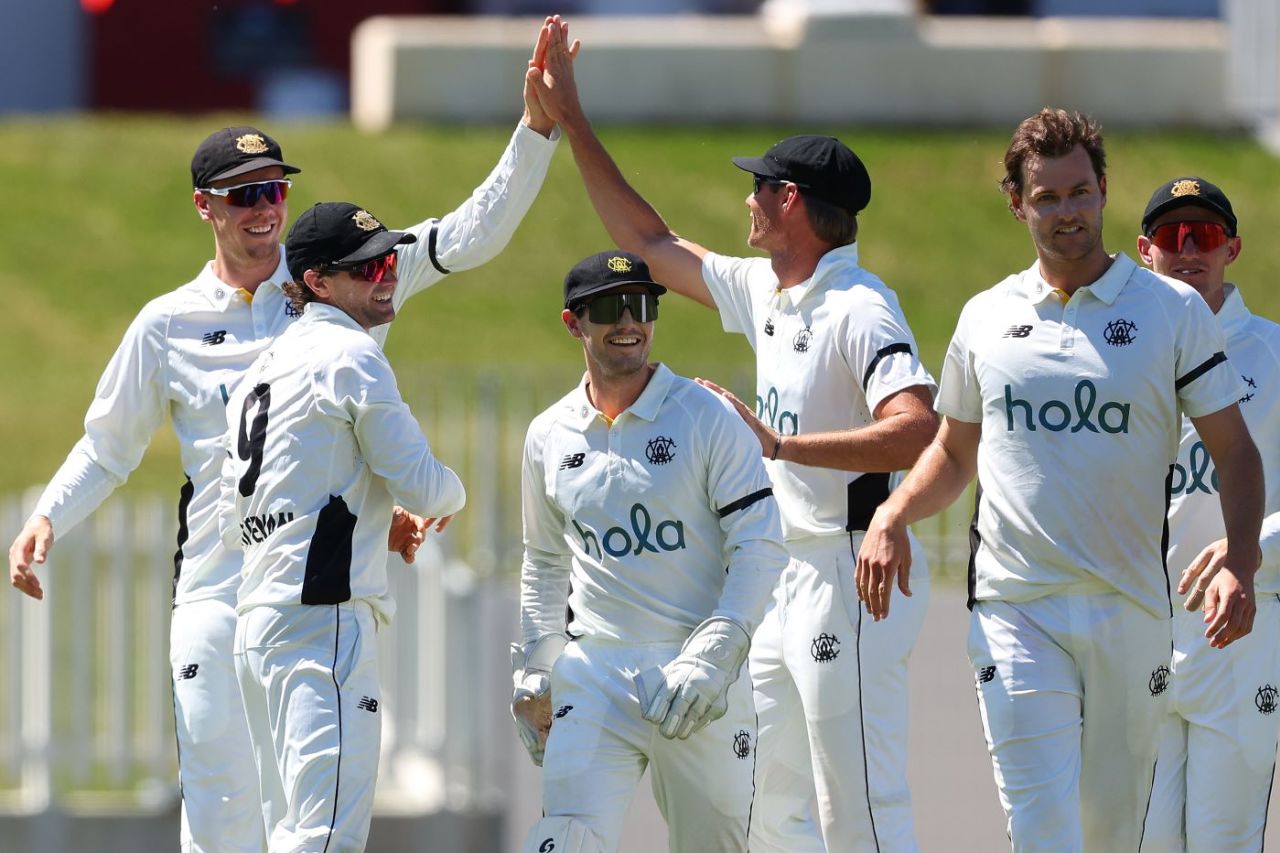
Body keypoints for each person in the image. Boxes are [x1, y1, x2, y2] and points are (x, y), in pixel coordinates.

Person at [7, 24, 560, 851]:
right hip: (213, 591)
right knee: (221, 815)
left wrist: (536, 132)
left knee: (307, 819)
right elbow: (108, 444)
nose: (264, 209)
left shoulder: (344, 274)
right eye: (244, 194)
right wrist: (48, 515)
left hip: (309, 595)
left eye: (274, 190)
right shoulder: (167, 324)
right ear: (206, 207)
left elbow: (471, 232)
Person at [527, 18, 939, 851]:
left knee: (855, 803)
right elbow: (644, 241)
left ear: (791, 202)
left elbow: (918, 429)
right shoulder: (770, 290)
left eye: (759, 188)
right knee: (769, 810)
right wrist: (572, 120)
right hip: (783, 576)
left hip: (849, 570)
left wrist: (782, 447)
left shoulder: (859, 306)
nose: (746, 200)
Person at [857, 109, 1264, 851]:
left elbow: (1235, 450)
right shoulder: (985, 318)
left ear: (1104, 190)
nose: (1066, 211)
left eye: (1079, 191)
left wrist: (1241, 556)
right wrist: (890, 515)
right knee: (1043, 831)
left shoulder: (1171, 312)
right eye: (1047, 198)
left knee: (1111, 833)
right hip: (1018, 610)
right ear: (1017, 203)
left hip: (1132, 609)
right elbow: (953, 455)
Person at [512, 250, 789, 853]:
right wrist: (537, 664)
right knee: (563, 840)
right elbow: (546, 560)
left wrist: (714, 656)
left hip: (696, 682)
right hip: (594, 674)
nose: (629, 323)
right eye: (611, 309)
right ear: (573, 323)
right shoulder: (547, 434)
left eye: (641, 305)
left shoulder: (706, 415)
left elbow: (761, 544)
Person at [218, 201, 466, 851]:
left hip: (257, 629)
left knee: (285, 834)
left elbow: (229, 517)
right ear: (319, 283)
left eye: (388, 259)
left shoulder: (257, 375)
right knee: (326, 837)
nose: (387, 275)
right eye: (368, 266)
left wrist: (368, 522)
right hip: (323, 626)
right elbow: (423, 481)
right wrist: (448, 496)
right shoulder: (351, 355)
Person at [1133, 177, 1280, 852]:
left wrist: (1249, 550)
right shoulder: (1119, 358)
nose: (1188, 247)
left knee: (1224, 841)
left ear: (1233, 249)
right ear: (1145, 251)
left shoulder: (1274, 354)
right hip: (1136, 637)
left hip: (1244, 634)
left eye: (1207, 235)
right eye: (1171, 235)